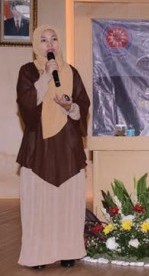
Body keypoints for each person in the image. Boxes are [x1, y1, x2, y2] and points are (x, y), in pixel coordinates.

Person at [16, 25, 90, 269]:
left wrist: (70, 107)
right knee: (39, 205)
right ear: (37, 45)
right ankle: (38, 255)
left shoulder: (71, 72)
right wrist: (46, 76)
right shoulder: (27, 71)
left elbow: (83, 104)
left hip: (67, 146)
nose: (50, 45)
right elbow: (26, 105)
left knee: (68, 202)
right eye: (44, 40)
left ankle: (68, 250)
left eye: (54, 39)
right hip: (39, 148)